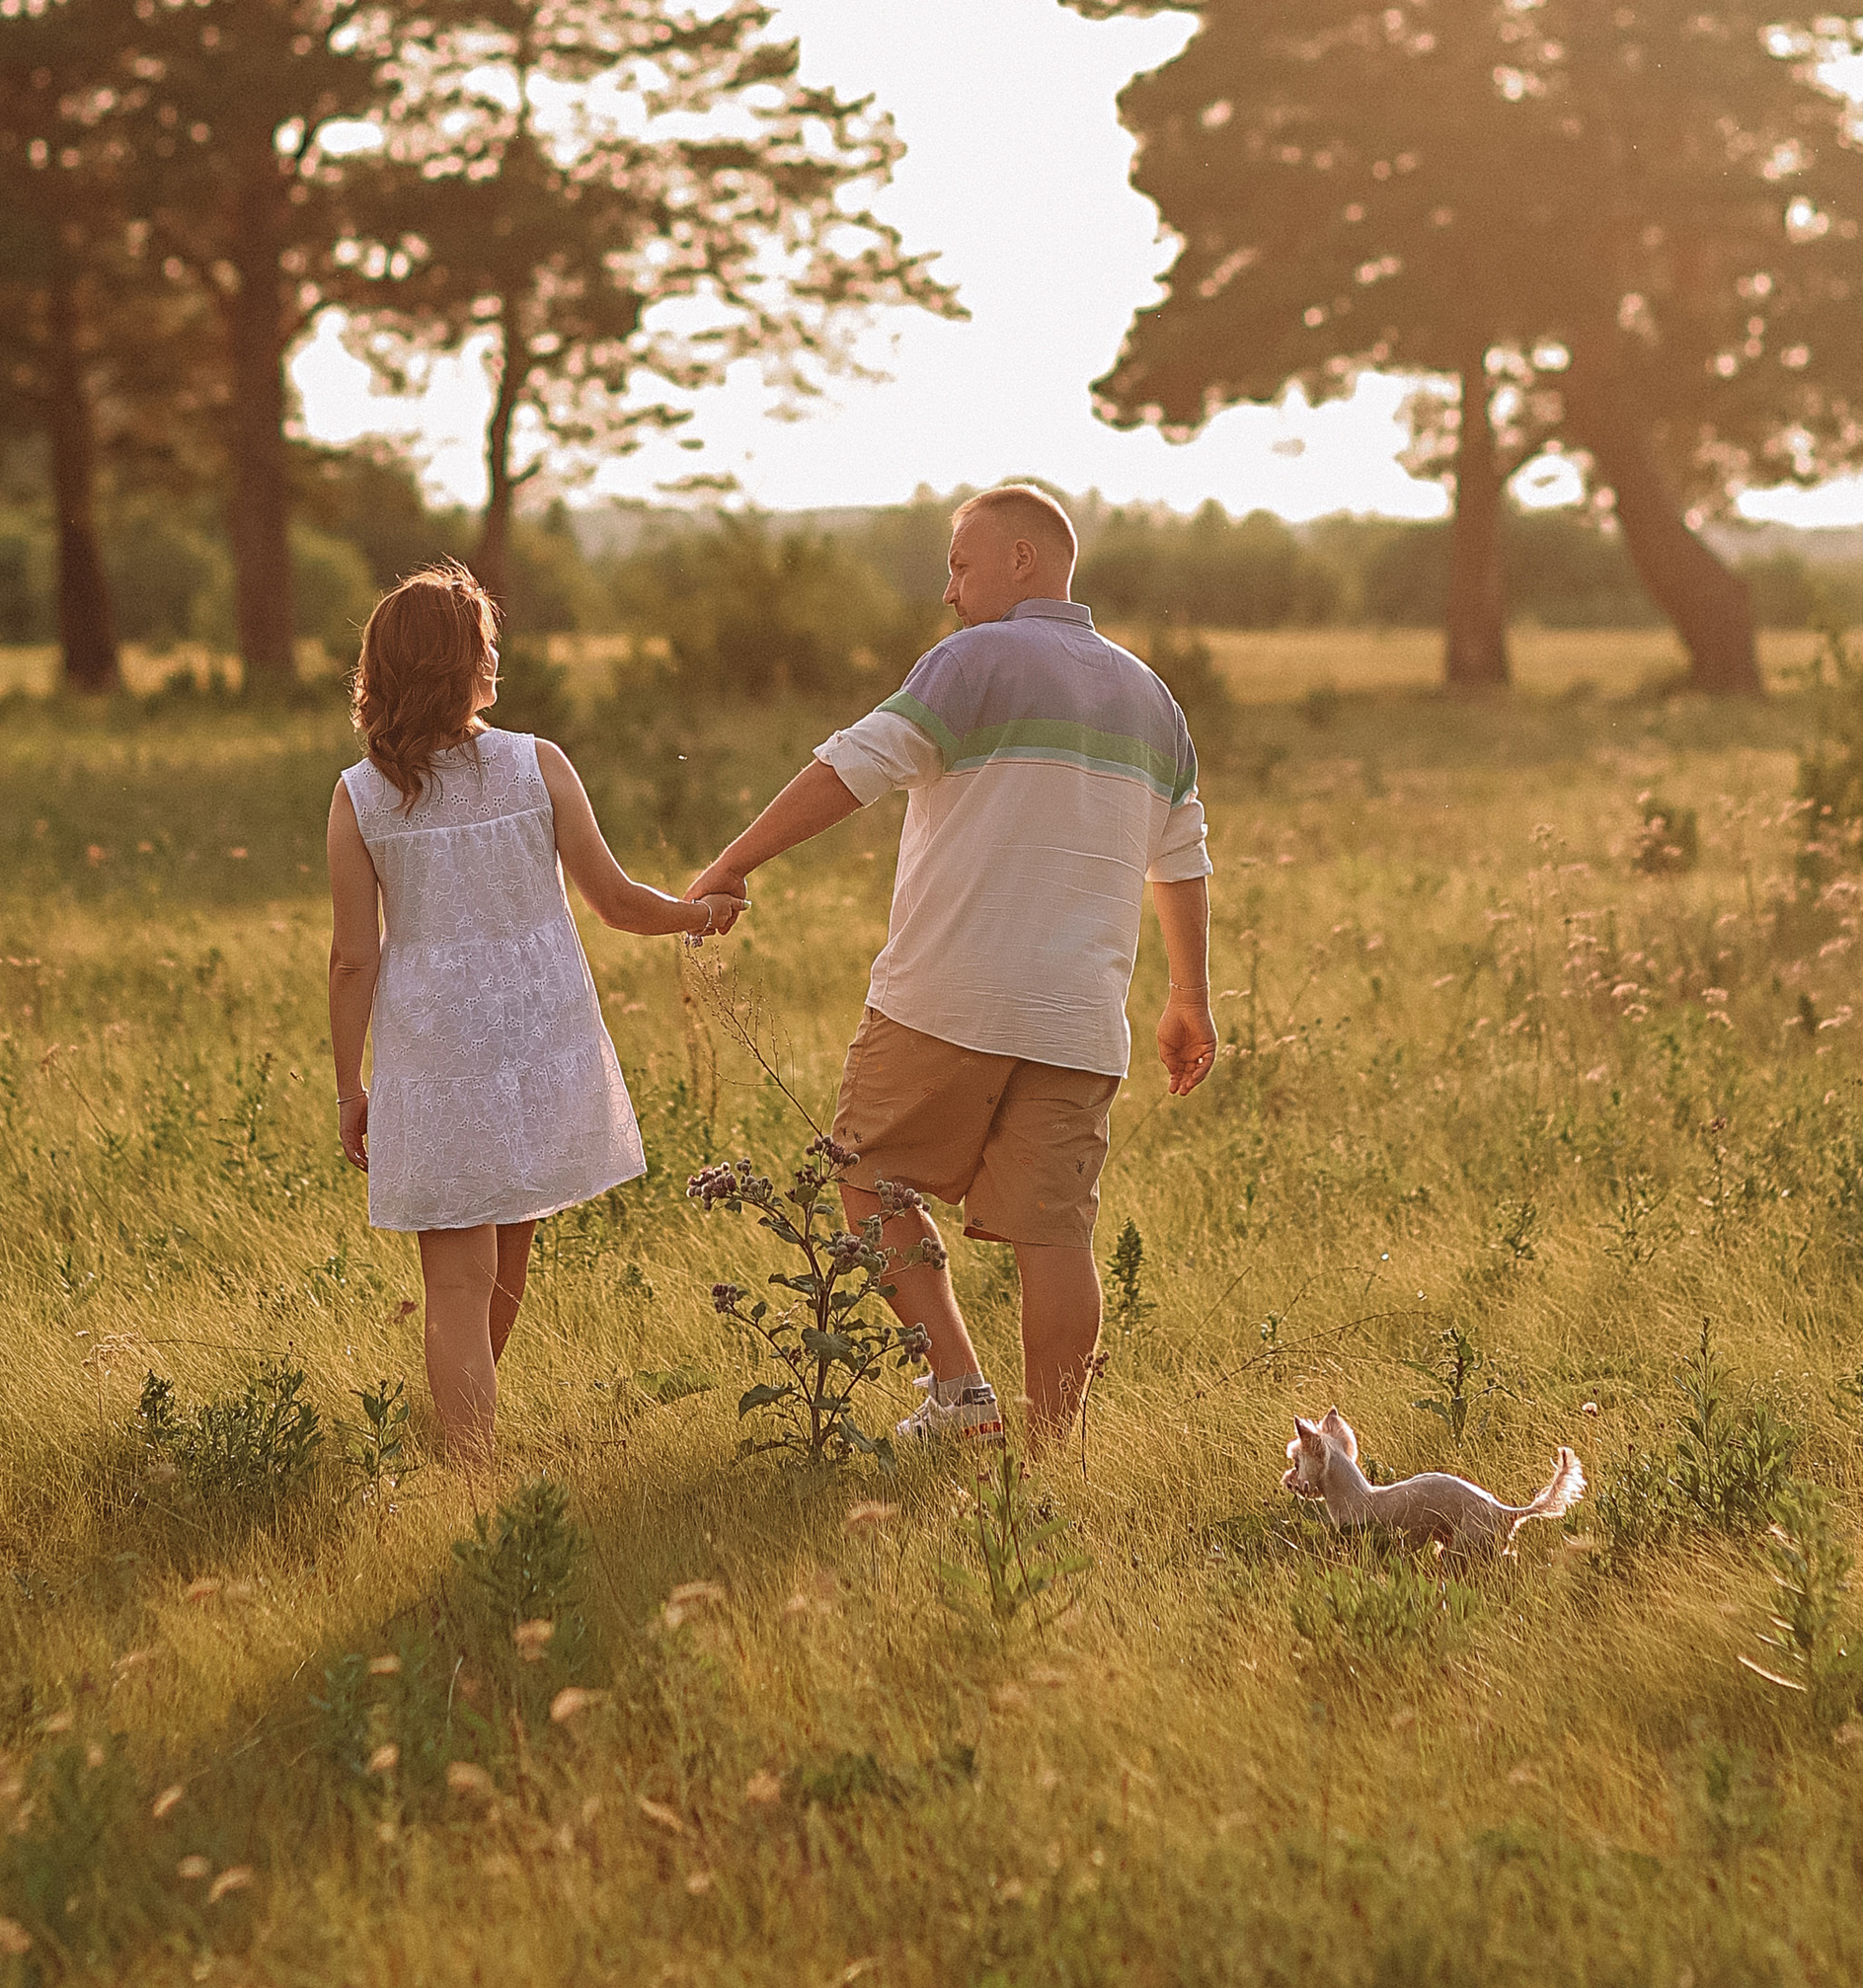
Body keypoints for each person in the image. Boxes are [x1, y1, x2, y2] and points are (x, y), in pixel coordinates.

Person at [685, 484, 1215, 1444]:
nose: (947, 590)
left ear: (1023, 560)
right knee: (1057, 1237)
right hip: (1080, 1020)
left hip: (943, 999)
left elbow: (851, 766)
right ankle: (1049, 1458)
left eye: (960, 565)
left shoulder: (968, 662)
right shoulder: (1153, 698)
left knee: (866, 1180)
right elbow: (1181, 861)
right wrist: (1189, 999)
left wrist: (732, 863)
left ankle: (962, 1398)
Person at [328, 561, 736, 1462]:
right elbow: (619, 903)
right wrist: (700, 914)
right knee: (501, 1258)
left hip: (434, 1048)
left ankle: (460, 1457)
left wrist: (349, 1085)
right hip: (534, 1037)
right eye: (487, 645)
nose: (497, 658)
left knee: (461, 1280)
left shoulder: (361, 795)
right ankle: (468, 1461)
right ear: (460, 663)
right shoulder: (535, 763)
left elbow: (354, 956)